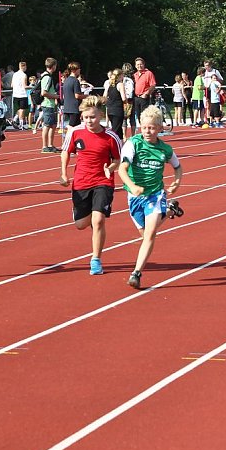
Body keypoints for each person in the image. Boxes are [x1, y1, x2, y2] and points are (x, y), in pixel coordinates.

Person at [117, 106, 184, 289]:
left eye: (152, 128)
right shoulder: (133, 144)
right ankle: (170, 210)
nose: (148, 131)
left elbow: (177, 167)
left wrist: (177, 182)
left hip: (155, 194)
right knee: (144, 234)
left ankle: (136, 273)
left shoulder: (165, 149)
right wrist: (132, 186)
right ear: (140, 126)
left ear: (160, 128)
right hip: (135, 196)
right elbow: (122, 169)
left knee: (150, 234)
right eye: (145, 127)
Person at [59, 96, 123, 275]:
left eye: (93, 117)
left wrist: (110, 168)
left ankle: (96, 259)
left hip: (103, 181)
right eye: (86, 117)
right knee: (81, 224)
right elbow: (65, 152)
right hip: (81, 182)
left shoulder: (111, 136)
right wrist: (64, 174)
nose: (89, 121)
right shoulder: (76, 132)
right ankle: (83, 216)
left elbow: (118, 159)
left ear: (101, 115)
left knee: (98, 220)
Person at [38, 57, 61, 153]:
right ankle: (44, 146)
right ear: (53, 66)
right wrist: (55, 96)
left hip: (50, 104)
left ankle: (50, 145)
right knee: (47, 125)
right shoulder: (47, 77)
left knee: (53, 125)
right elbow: (44, 92)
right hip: (47, 104)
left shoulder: (46, 76)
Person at [131, 57, 156, 134]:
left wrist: (147, 93)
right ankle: (143, 132)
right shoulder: (134, 75)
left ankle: (146, 133)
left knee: (144, 116)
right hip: (136, 98)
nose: (139, 66)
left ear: (144, 64)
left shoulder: (148, 73)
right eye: (137, 64)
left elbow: (153, 85)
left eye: (141, 64)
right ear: (135, 66)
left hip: (144, 98)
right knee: (138, 116)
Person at [103, 69, 127, 141]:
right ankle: (113, 146)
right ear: (120, 75)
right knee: (116, 129)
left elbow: (104, 96)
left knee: (116, 128)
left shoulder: (109, 84)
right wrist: (126, 101)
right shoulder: (120, 84)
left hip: (110, 109)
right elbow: (123, 98)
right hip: (118, 109)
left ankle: (119, 145)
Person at [61, 61, 86, 130]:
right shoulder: (75, 81)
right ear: (74, 70)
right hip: (74, 108)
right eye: (78, 69)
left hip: (67, 107)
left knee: (77, 128)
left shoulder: (66, 80)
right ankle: (68, 140)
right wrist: (87, 96)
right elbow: (77, 96)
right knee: (72, 128)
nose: (80, 70)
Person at [11, 61, 29, 130]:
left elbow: (12, 85)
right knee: (22, 109)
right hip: (22, 94)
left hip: (15, 94)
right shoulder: (24, 75)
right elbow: (25, 86)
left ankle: (15, 119)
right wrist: (32, 87)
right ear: (24, 67)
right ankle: (21, 124)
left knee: (19, 109)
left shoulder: (14, 74)